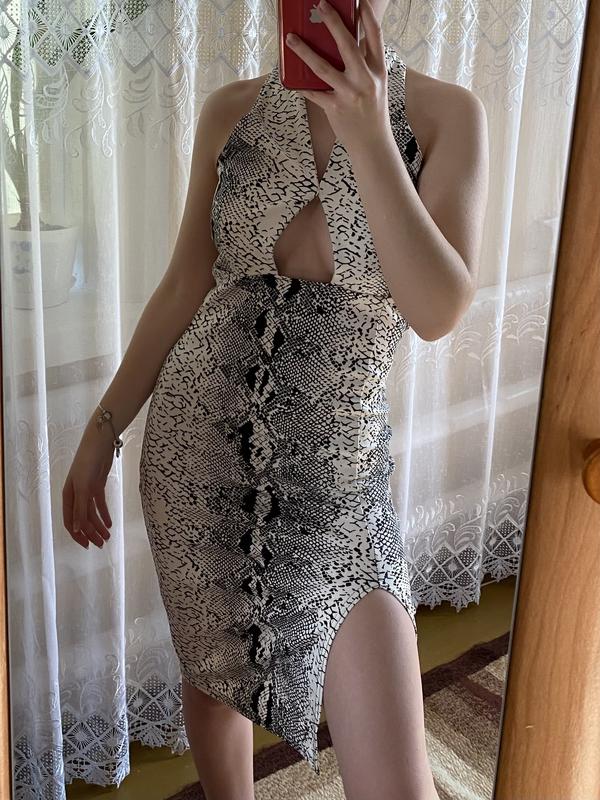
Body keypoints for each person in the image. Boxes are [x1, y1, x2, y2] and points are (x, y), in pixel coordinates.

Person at [62, 0, 488, 797]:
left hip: (337, 485)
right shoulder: (230, 112)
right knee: (215, 676)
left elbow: (437, 309)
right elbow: (185, 284)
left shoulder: (445, 116)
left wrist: (370, 135)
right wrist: (103, 427)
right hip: (195, 459)